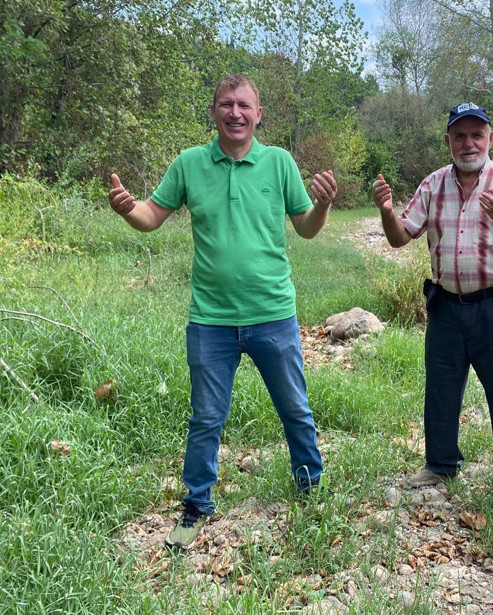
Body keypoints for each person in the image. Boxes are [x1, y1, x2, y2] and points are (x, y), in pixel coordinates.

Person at [108, 74, 337, 549]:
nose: (235, 113)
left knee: (294, 408)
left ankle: (311, 490)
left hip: (273, 313)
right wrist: (128, 209)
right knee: (206, 417)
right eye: (226, 105)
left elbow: (308, 229)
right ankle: (195, 506)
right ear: (213, 111)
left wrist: (323, 206)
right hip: (210, 319)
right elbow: (151, 217)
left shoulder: (278, 163)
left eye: (244, 106)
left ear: (259, 115)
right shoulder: (190, 164)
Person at [371, 102, 493, 504]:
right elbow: (400, 237)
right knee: (442, 389)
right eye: (460, 136)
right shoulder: (432, 185)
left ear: (491, 139)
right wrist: (384, 211)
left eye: (476, 135)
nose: (469, 143)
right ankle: (440, 463)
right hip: (446, 305)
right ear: (448, 140)